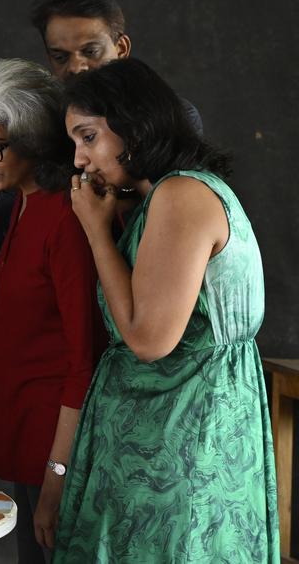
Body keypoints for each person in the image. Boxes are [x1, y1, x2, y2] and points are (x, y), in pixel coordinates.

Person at [53, 58, 278, 561]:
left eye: (88, 137)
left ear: (133, 125)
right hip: (163, 438)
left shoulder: (182, 194)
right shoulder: (165, 196)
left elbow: (149, 340)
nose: (80, 159)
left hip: (178, 445)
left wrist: (94, 230)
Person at [0, 59, 101, 561]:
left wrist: (57, 478)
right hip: (21, 441)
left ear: (34, 137)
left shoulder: (66, 216)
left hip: (58, 454)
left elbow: (85, 360)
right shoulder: (21, 200)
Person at [0, 0, 203, 251]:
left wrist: (50, 190)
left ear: (121, 48)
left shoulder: (171, 115)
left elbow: (166, 212)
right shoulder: (32, 121)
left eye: (90, 51)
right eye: (60, 57)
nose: (76, 67)